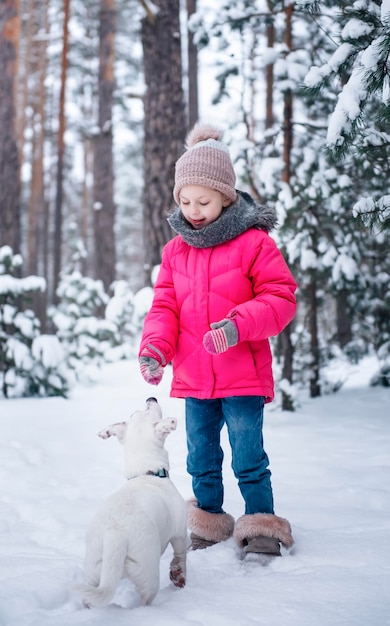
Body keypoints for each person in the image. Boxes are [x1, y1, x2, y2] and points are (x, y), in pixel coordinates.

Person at [138, 123, 297, 556]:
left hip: (241, 375)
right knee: (200, 459)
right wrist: (154, 349)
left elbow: (281, 299)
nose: (193, 209)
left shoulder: (253, 244)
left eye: (203, 201)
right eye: (185, 200)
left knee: (248, 457)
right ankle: (208, 521)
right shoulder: (176, 252)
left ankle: (261, 525)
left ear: (226, 196)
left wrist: (238, 325)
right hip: (195, 378)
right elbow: (165, 308)